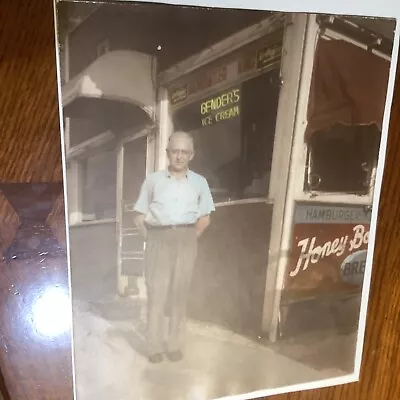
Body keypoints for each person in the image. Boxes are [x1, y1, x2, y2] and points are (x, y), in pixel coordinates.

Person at [133, 131, 215, 364]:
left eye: (184, 152)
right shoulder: (153, 181)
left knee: (180, 294)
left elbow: (205, 217)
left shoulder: (200, 182)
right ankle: (154, 347)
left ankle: (175, 344)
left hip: (187, 239)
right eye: (175, 151)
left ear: (192, 155)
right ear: (168, 153)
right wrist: (151, 239)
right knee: (157, 294)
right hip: (158, 239)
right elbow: (138, 216)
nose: (179, 156)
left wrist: (191, 238)